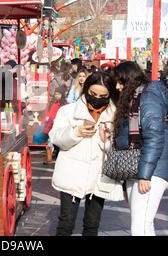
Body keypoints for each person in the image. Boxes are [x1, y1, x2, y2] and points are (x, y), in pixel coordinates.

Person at [49, 72, 123, 236]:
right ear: (85, 90)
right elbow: (56, 138)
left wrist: (106, 141)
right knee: (66, 224)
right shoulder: (68, 111)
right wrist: (75, 132)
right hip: (71, 174)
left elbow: (119, 148)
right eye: (93, 94)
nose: (97, 98)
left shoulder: (115, 115)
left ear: (110, 94)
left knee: (92, 224)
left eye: (103, 95)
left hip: (99, 175)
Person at [113, 61, 168, 236]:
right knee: (143, 222)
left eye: (120, 82)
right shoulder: (133, 98)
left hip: (152, 168)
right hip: (138, 165)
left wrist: (145, 175)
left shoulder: (148, 97)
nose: (117, 87)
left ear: (129, 80)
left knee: (140, 224)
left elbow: (154, 138)